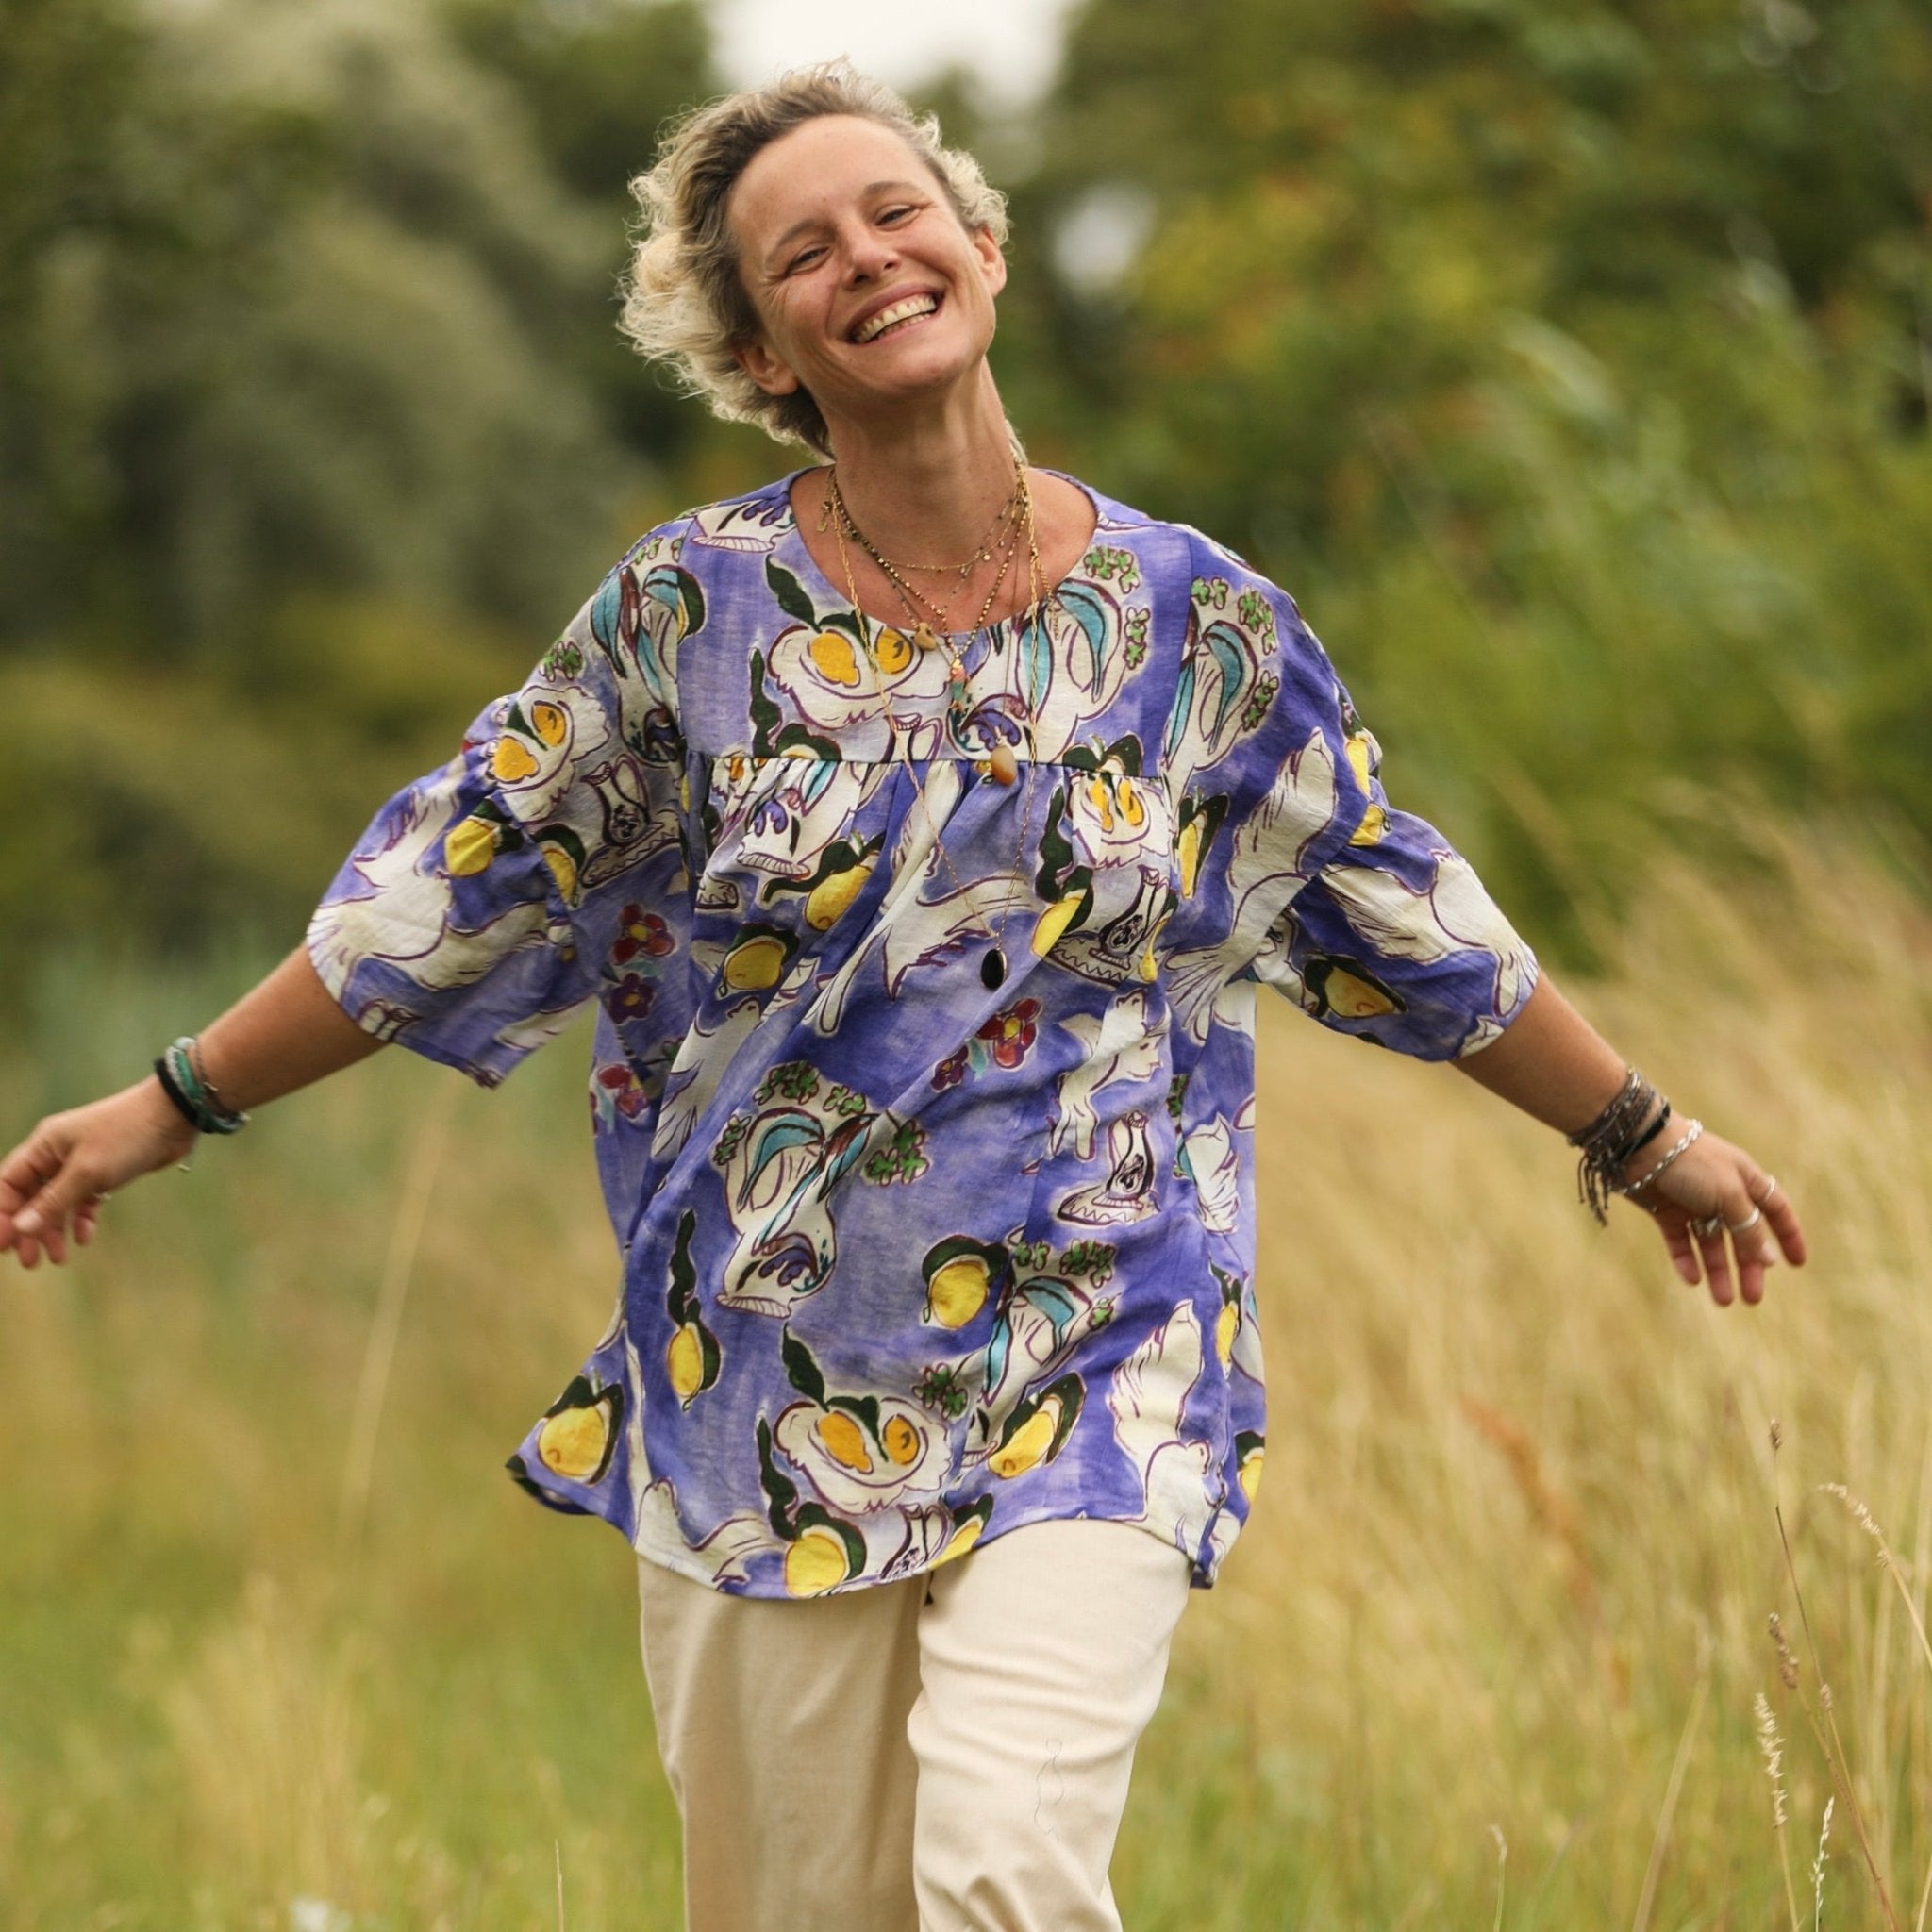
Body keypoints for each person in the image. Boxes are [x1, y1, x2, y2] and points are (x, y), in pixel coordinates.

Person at [0, 60, 1806, 1932]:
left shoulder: (1196, 625)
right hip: (763, 1377)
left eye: (894, 213)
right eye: (802, 255)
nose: (864, 257)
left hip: (1101, 1351)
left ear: (982, 250)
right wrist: (172, 1101)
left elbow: (1389, 902)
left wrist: (1637, 1130)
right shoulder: (685, 621)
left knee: (1004, 1869)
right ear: (759, 350)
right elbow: (448, 885)